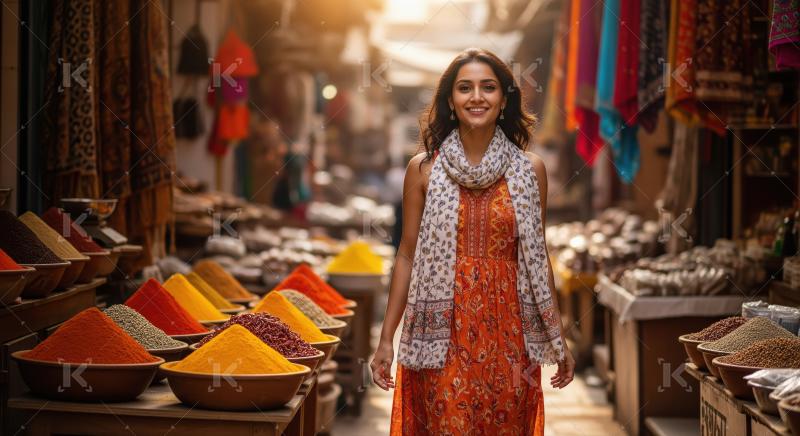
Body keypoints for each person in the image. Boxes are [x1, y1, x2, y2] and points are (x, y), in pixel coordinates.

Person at [371, 48, 575, 435]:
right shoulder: (423, 169)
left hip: (510, 335)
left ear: (503, 100)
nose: (477, 96)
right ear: (450, 100)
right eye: (465, 88)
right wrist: (385, 339)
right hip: (438, 332)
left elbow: (536, 257)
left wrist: (558, 337)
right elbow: (407, 255)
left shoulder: (531, 170)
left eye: (488, 87)